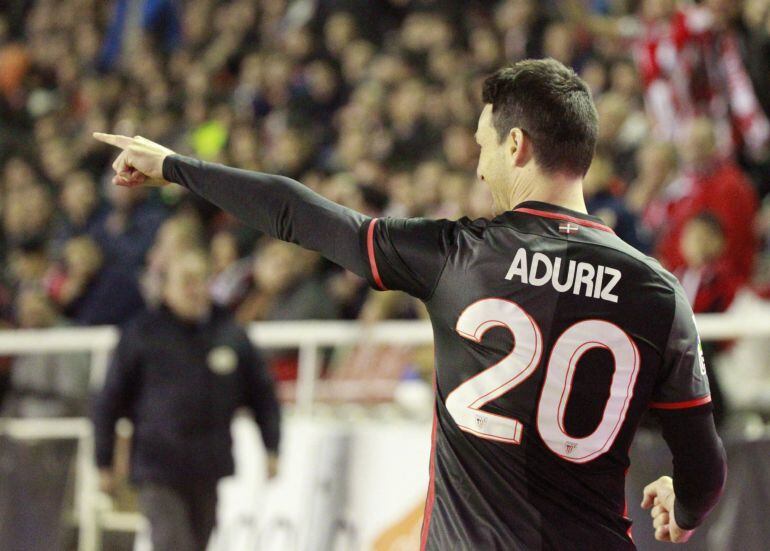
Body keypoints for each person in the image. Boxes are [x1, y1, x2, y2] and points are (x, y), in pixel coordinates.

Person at [94, 58, 727, 549]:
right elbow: (704, 467)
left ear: (515, 147)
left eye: (483, 146)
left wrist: (176, 167)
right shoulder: (657, 291)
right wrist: (687, 505)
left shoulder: (457, 254)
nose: (479, 169)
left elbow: (300, 214)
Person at [92, 250, 281, 551]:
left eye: (201, 280)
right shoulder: (142, 333)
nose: (195, 290)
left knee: (197, 543)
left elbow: (262, 394)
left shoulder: (229, 333)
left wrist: (272, 446)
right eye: (186, 281)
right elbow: (108, 401)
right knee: (172, 544)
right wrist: (103, 461)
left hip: (208, 465)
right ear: (167, 287)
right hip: (158, 466)